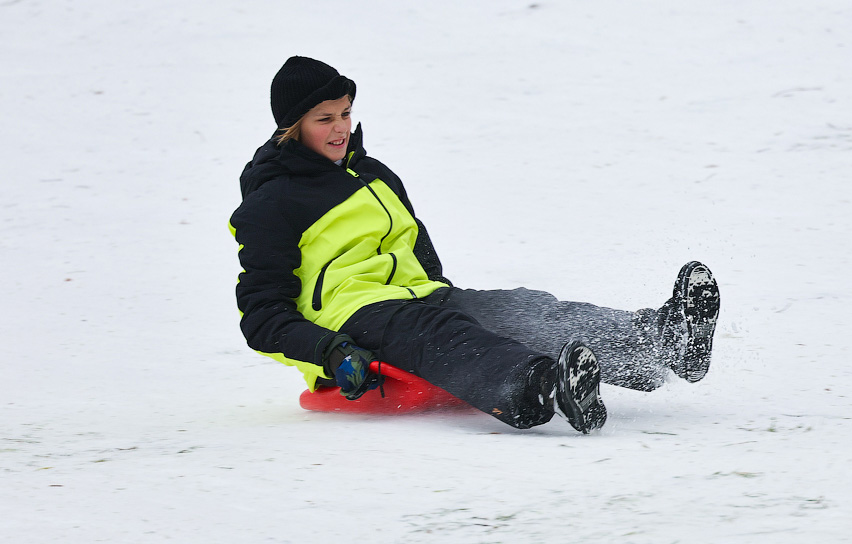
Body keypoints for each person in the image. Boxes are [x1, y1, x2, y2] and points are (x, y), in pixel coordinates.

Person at [229, 56, 721, 434]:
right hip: (353, 316)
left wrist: (442, 291)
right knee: (440, 332)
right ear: (291, 128)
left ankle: (662, 342)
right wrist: (331, 350)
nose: (340, 128)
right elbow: (261, 316)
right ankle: (540, 386)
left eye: (345, 113)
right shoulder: (272, 203)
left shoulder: (374, 175)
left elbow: (418, 247)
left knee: (520, 310)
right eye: (324, 119)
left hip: (419, 297)